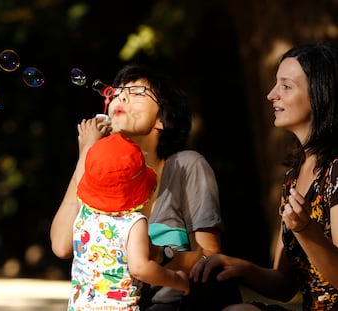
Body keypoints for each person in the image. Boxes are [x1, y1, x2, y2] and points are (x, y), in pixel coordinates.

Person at [51, 63, 241, 310]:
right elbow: (62, 245)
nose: (122, 95)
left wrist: (158, 262)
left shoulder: (186, 166)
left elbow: (208, 256)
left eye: (138, 92)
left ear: (163, 118)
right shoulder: (101, 177)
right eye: (118, 92)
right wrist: (87, 157)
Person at [190, 43, 338, 310]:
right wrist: (239, 266)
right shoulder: (293, 177)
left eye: (286, 86)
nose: (271, 95)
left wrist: (306, 230)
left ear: (320, 95)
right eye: (275, 84)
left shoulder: (336, 170)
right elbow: (285, 284)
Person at [68, 130, 189, 311]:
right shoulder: (133, 222)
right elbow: (140, 267)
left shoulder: (85, 209)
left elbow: (80, 175)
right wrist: (178, 280)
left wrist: (89, 141)